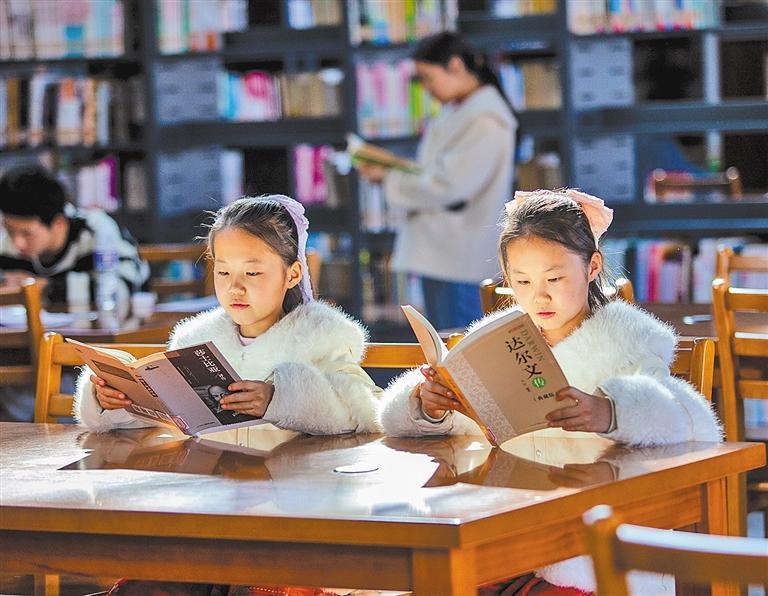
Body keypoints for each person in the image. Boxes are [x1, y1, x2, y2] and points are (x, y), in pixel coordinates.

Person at [379, 188, 722, 596]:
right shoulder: (498, 342)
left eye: (555, 279)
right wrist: (428, 406)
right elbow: (427, 425)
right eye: (522, 281)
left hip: (588, 548)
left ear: (592, 267)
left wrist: (612, 411)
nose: (539, 296)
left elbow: (689, 422)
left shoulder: (628, 342)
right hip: (504, 531)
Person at [74, 195, 383, 596]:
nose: (235, 287)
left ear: (292, 273)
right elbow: (167, 417)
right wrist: (115, 401)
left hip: (292, 524)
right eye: (223, 272)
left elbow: (363, 412)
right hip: (206, 518)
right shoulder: (196, 339)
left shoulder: (322, 338)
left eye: (252, 272)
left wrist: (281, 399)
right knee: (149, 587)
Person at [355, 31, 517, 330]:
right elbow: (439, 172)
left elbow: (451, 185)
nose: (427, 89)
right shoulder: (460, 110)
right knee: (448, 340)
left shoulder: (487, 119)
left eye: (428, 78)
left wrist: (390, 177)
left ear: (455, 65)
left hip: (459, 257)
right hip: (445, 253)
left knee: (460, 344)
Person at [0, 164, 149, 304]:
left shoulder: (98, 231)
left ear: (58, 223)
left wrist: (46, 288)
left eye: (27, 234)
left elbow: (124, 288)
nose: (17, 243)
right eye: (9, 230)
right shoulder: (6, 244)